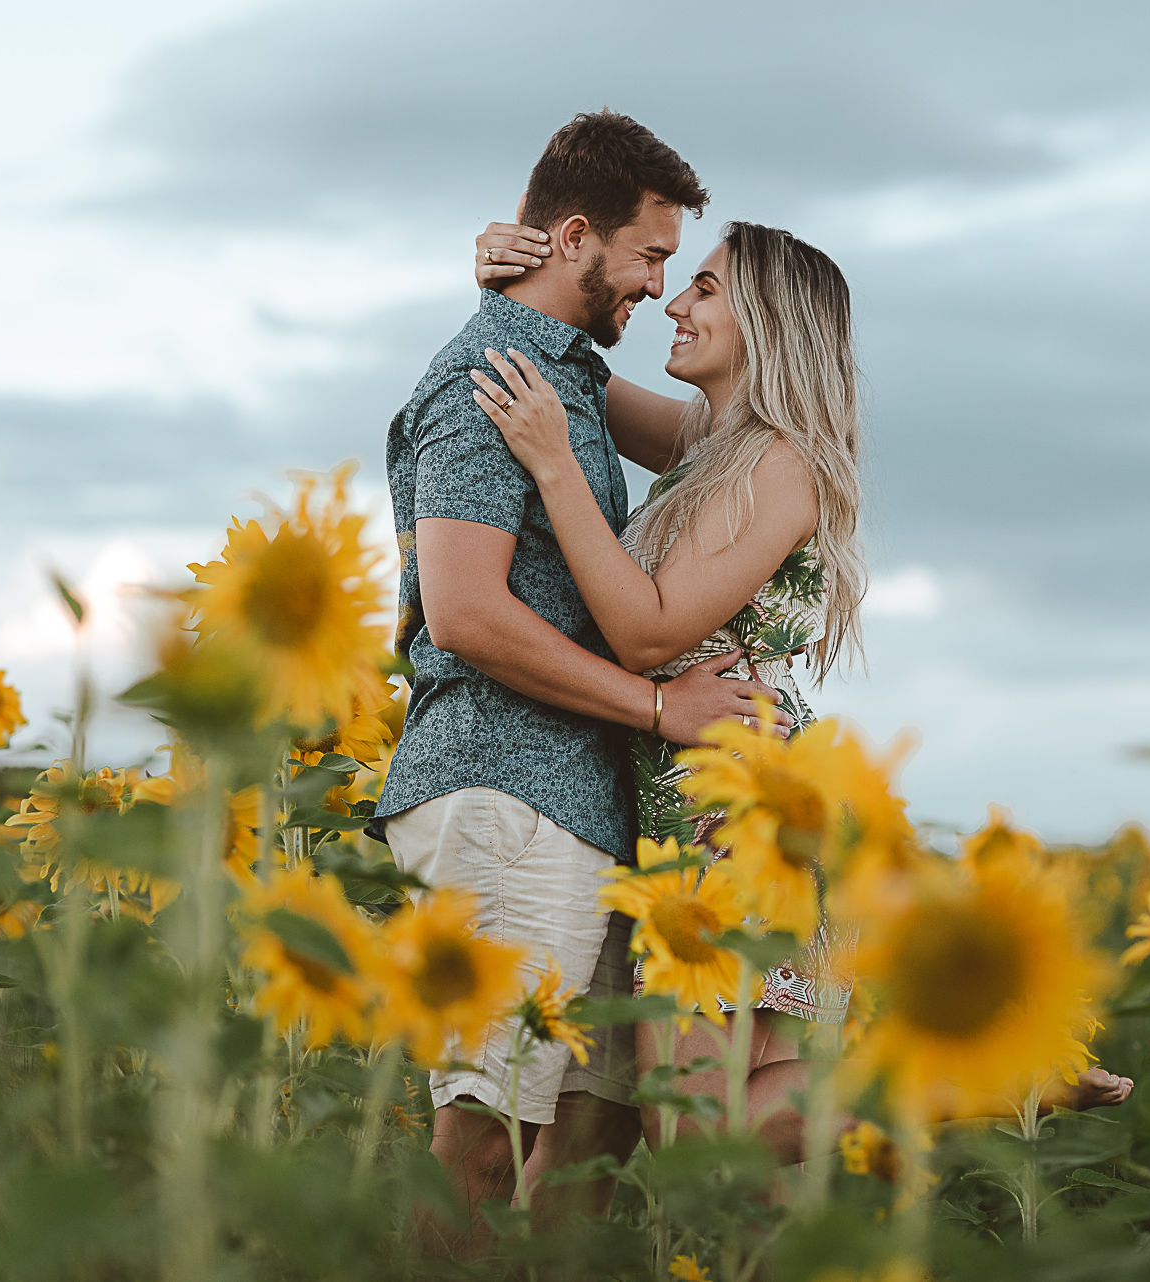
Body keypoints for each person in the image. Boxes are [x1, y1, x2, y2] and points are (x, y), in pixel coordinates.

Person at [469, 214, 1135, 1168]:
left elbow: (648, 630)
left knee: (695, 1133)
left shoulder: (782, 465)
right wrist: (513, 281)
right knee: (730, 1165)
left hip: (739, 815)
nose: (675, 303)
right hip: (690, 800)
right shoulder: (711, 443)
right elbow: (569, 372)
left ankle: (982, 1072)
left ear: (770, 323)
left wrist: (554, 466)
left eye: (706, 289)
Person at [369, 111, 795, 1255]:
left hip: (586, 806)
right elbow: (466, 613)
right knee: (481, 1135)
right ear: (574, 239)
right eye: (652, 257)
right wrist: (659, 707)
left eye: (681, 269)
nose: (659, 287)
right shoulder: (488, 382)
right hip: (504, 787)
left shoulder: (565, 378)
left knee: (593, 1142)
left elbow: (723, 439)